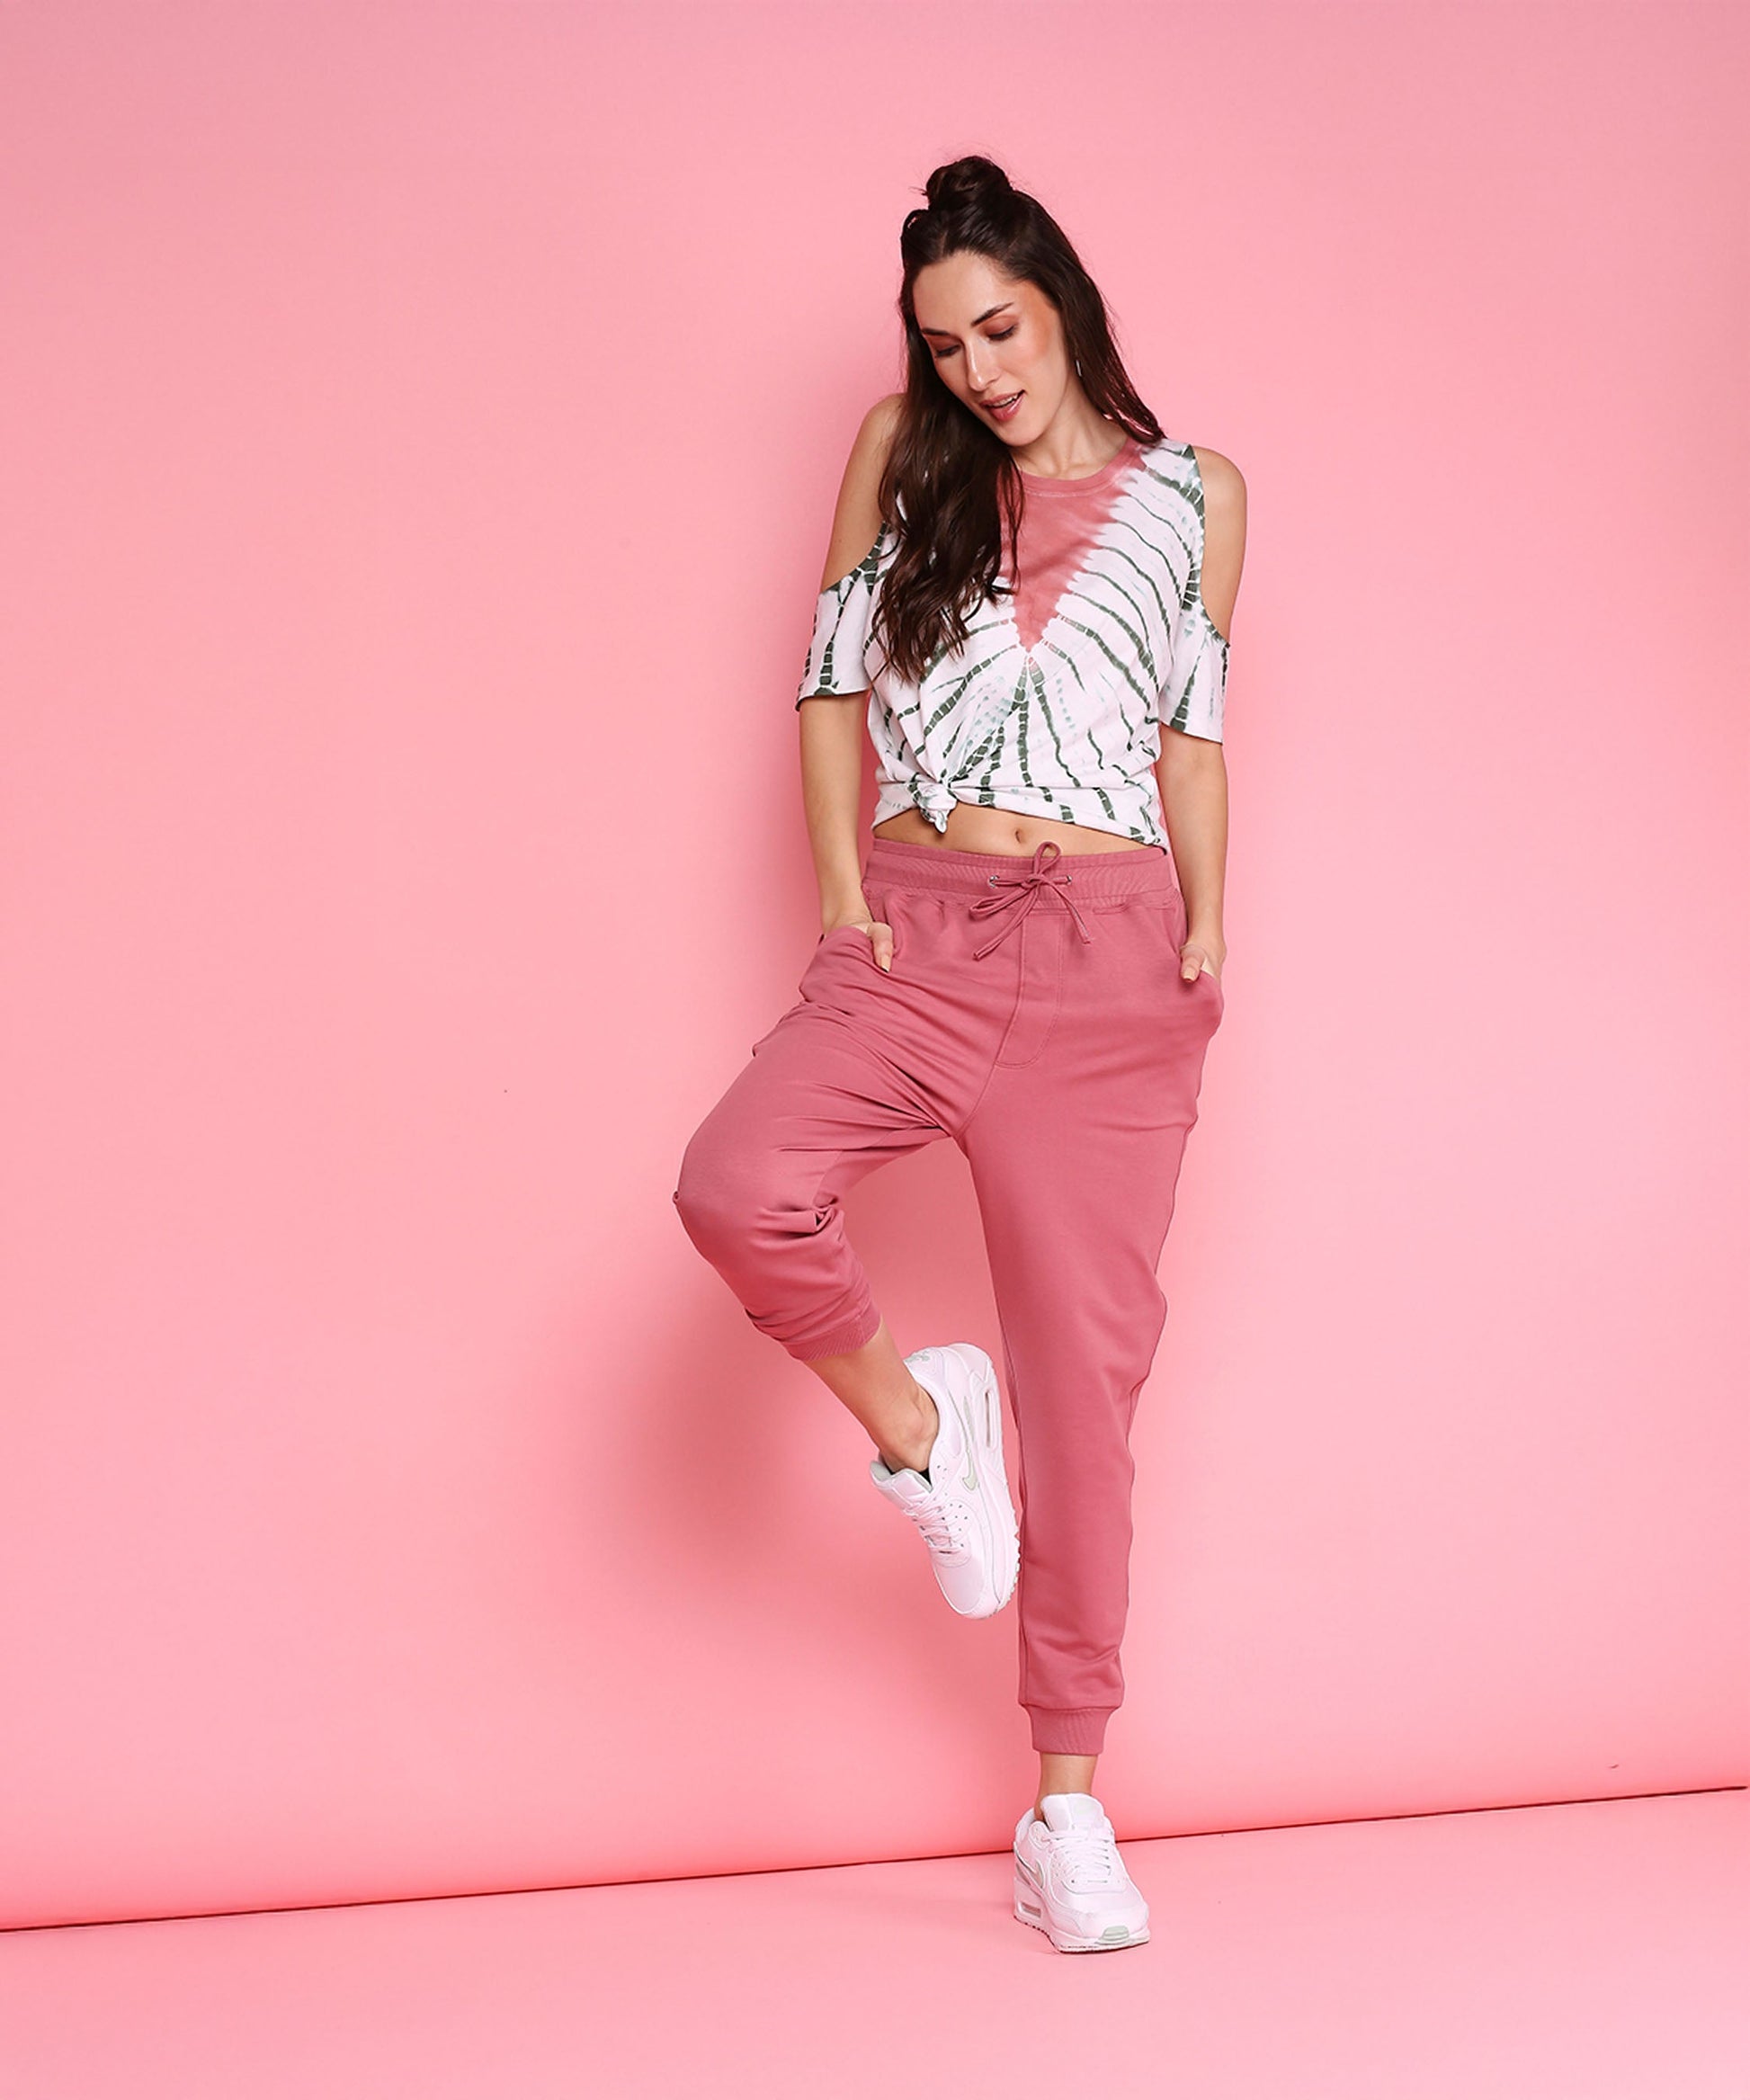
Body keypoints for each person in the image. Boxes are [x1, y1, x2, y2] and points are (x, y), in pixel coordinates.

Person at [672, 153, 1246, 1954]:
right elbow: (827, 683)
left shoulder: (1199, 494)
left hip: (1111, 965)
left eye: (1000, 326)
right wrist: (847, 897)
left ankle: (1065, 1802)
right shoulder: (901, 460)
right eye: (947, 344)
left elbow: (1192, 728)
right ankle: (924, 1430)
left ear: (1062, 302)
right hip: (916, 931)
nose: (980, 367)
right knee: (739, 1186)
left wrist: (1208, 933)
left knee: (1088, 1400)